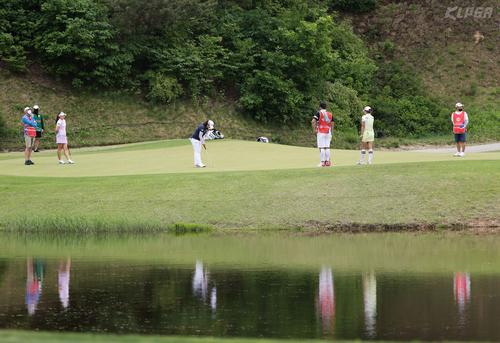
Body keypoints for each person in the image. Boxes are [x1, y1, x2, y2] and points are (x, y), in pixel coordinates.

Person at [312, 101, 334, 167]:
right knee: (327, 147)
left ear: (320, 107)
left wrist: (314, 129)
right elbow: (332, 123)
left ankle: (322, 162)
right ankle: (327, 162)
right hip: (328, 131)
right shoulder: (330, 114)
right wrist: (331, 132)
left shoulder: (319, 113)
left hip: (321, 131)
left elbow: (313, 121)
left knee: (321, 147)